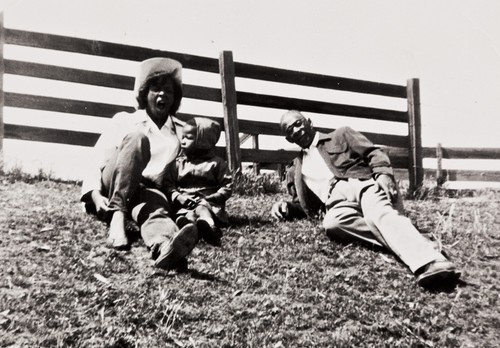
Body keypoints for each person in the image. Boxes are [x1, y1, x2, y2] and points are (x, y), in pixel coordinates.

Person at [271, 110, 461, 288]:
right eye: (291, 130)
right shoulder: (295, 169)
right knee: (332, 224)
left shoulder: (341, 135)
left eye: (298, 123)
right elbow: (301, 204)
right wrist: (285, 206)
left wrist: (383, 175)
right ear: (288, 138)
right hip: (335, 201)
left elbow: (374, 153)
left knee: (377, 214)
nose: (297, 130)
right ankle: (417, 240)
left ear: (309, 122)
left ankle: (432, 262)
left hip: (361, 183)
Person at [80, 57, 198, 271]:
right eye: (156, 89)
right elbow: (96, 161)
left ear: (175, 98)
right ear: (145, 94)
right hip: (115, 182)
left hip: (148, 190)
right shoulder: (124, 120)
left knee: (156, 210)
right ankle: (118, 216)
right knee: (138, 139)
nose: (162, 94)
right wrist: (96, 197)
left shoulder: (181, 132)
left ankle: (165, 247)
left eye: (169, 90)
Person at [162, 117, 232, 247]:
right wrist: (178, 197)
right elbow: (168, 184)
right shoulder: (179, 163)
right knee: (186, 213)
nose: (182, 141)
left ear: (202, 140)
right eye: (182, 137)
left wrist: (215, 197)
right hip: (185, 202)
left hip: (208, 202)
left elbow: (227, 185)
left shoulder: (216, 163)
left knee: (202, 209)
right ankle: (188, 226)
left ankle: (208, 226)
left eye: (188, 138)